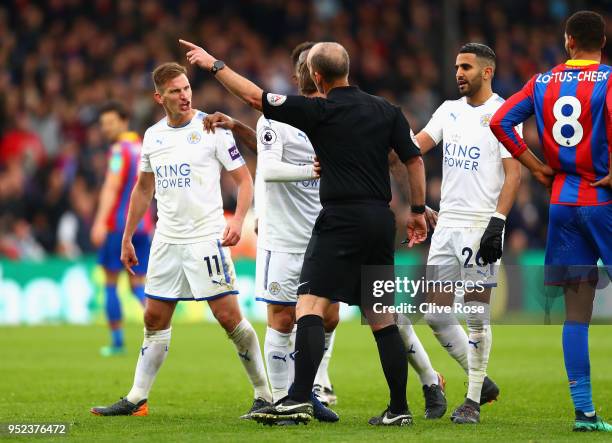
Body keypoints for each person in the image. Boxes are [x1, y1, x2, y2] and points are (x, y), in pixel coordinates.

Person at [180, 39, 427, 426]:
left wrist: (214, 65)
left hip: (340, 220)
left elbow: (253, 95)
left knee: (308, 306)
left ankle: (297, 397)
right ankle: (399, 409)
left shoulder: (319, 110)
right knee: (382, 317)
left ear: (315, 76)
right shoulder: (386, 110)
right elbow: (412, 159)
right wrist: (415, 211)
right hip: (380, 220)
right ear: (347, 69)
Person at [90, 62, 272, 417]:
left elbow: (245, 180)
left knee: (228, 318)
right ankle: (137, 397)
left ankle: (264, 394)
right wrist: (127, 237)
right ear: (160, 97)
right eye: (175, 91)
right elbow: (143, 190)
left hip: (206, 239)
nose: (184, 95)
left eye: (186, 88)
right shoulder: (153, 136)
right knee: (154, 318)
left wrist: (238, 221)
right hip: (166, 241)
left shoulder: (212, 128)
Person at [204, 42, 340, 423]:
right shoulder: (278, 115)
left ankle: (316, 384)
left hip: (327, 232)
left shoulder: (336, 115)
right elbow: (271, 162)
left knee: (330, 317)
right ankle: (282, 399)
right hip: (282, 236)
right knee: (282, 318)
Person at [490, 10, 612, 432]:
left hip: (563, 204)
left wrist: (537, 167)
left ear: (568, 41)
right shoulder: (609, 79)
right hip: (604, 200)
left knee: (575, 315)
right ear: (602, 41)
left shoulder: (542, 82)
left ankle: (585, 413)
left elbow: (500, 121)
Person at [411, 43, 521, 424]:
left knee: (476, 315)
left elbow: (514, 173)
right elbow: (416, 147)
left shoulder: (504, 114)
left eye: (467, 67)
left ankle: (472, 400)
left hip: (480, 226)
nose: (459, 73)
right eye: (457, 66)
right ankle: (483, 381)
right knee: (435, 313)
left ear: (487, 72)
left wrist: (498, 221)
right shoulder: (448, 110)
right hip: (446, 224)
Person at [91, 101, 153, 357]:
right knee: (138, 283)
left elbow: (112, 186)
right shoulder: (143, 146)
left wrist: (98, 221)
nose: (106, 128)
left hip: (119, 225)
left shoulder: (119, 151)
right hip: (143, 224)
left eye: (110, 122)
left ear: (124, 120)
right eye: (103, 124)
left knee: (110, 282)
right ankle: (160, 331)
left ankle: (117, 342)